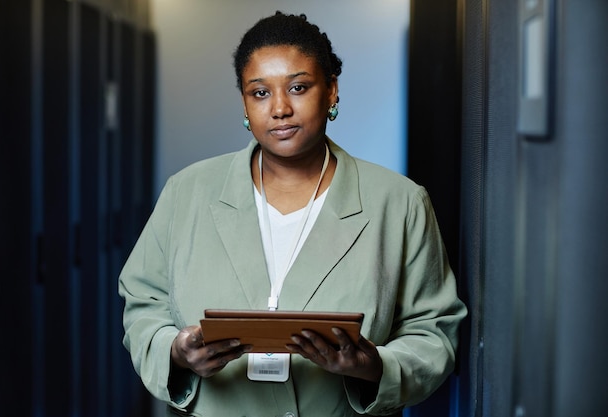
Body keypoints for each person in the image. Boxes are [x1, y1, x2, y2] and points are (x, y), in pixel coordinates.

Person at [119, 11, 467, 417]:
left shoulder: (399, 203)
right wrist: (176, 352)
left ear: (332, 91)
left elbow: (433, 331)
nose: (280, 108)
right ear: (245, 104)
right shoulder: (187, 192)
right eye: (260, 93)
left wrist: (375, 366)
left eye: (298, 87)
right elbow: (143, 304)